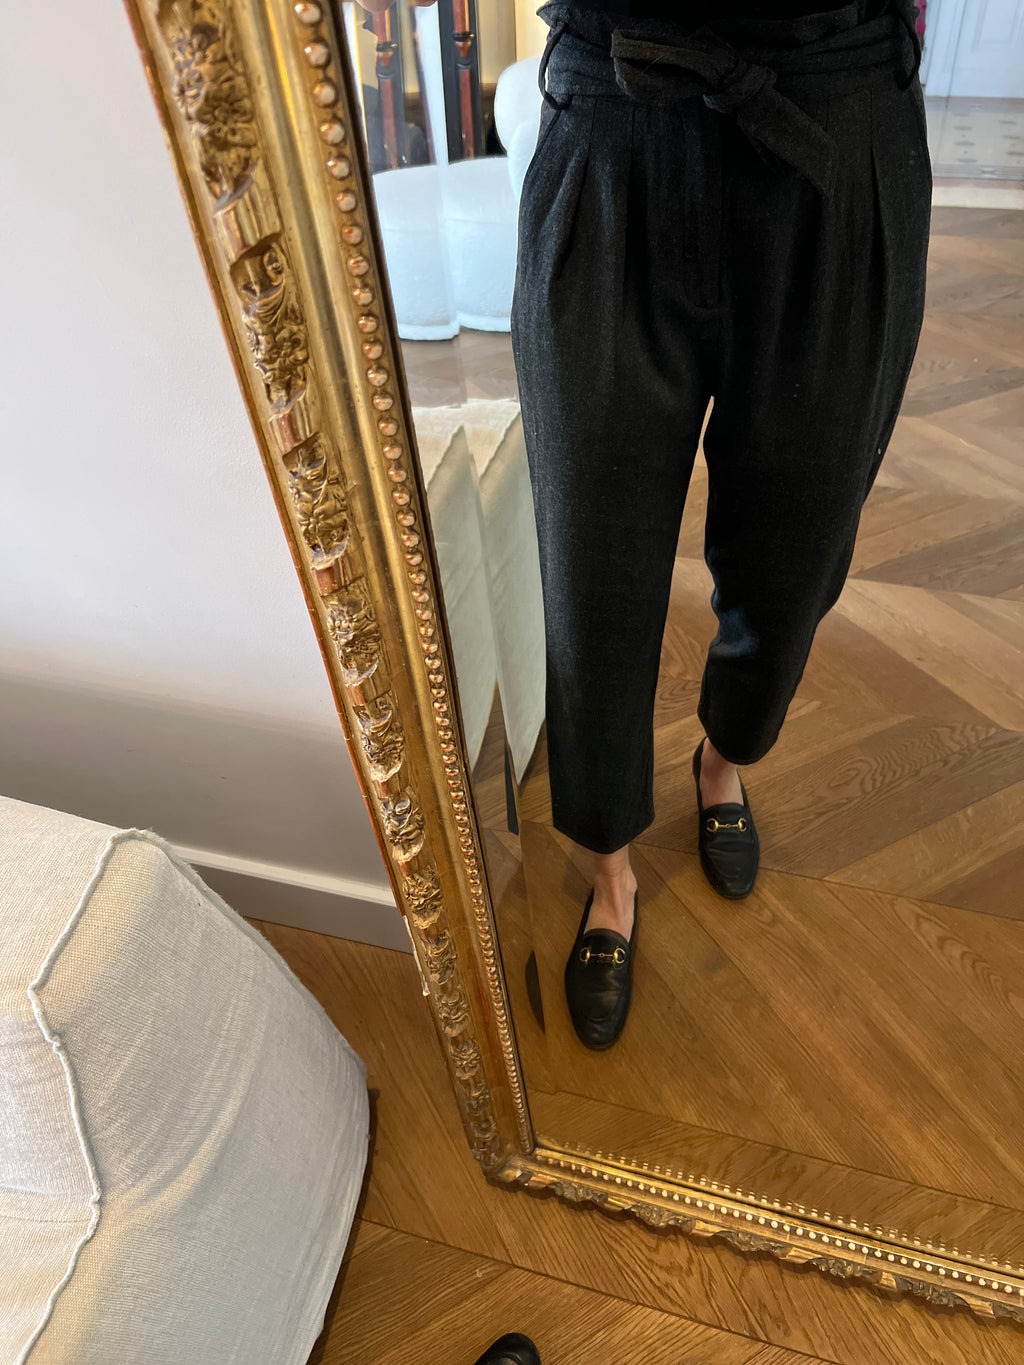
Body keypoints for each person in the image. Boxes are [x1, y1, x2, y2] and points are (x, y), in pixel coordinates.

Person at [358, 0, 931, 1051]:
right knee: (592, 571)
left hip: (838, 132)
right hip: (613, 118)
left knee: (796, 558)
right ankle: (610, 869)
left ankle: (725, 758)